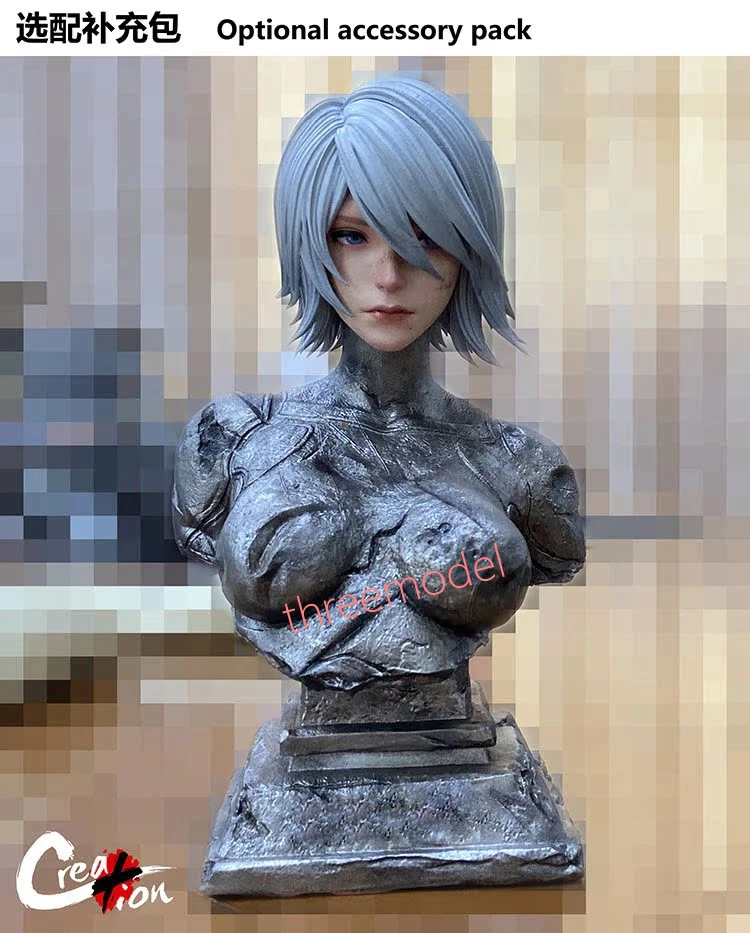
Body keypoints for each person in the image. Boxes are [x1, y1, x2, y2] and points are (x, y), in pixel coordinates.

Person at [172, 78, 585, 690]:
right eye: (352, 236)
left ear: (468, 249)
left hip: (451, 740)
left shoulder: (520, 468)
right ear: (308, 239)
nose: (389, 276)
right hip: (310, 744)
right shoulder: (235, 441)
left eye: (424, 238)